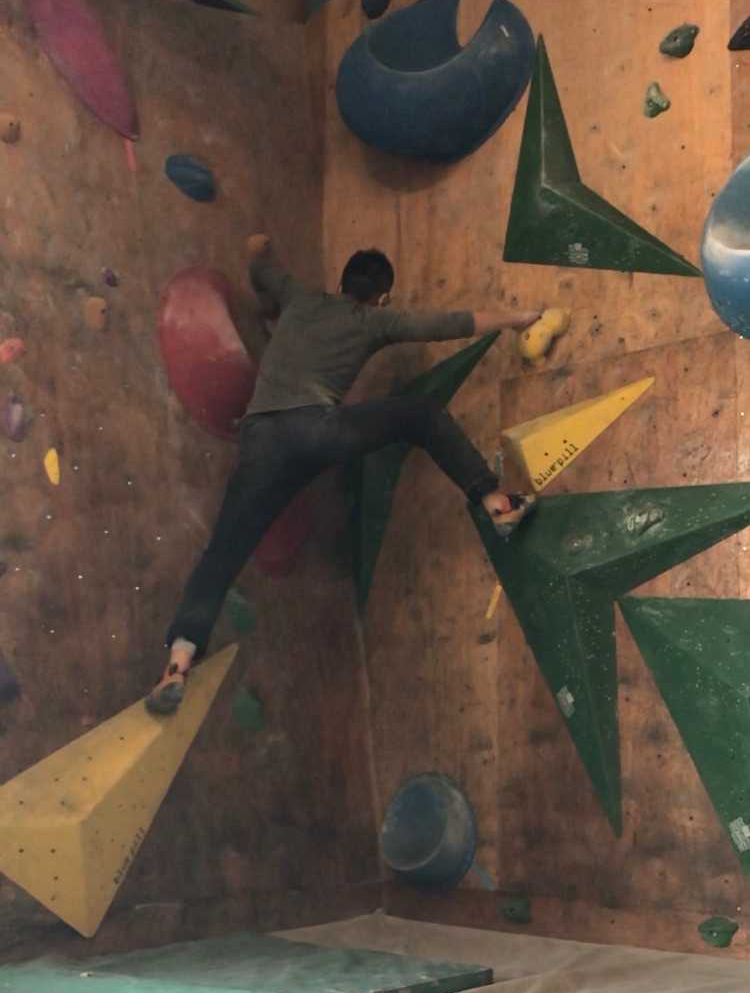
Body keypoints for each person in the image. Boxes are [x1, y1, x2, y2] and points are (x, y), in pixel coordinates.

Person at [146, 236, 540, 714]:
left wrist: (258, 251)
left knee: (224, 550)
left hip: (262, 443)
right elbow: (449, 324)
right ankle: (495, 501)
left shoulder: (300, 297)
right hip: (318, 432)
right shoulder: (374, 320)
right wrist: (517, 318)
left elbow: (261, 268)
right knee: (421, 415)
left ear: (342, 282)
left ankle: (179, 660)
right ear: (383, 297)